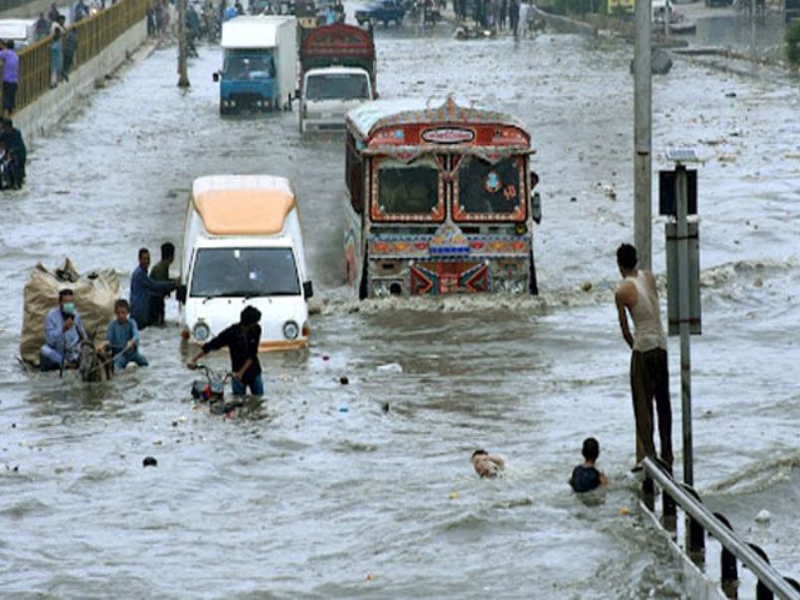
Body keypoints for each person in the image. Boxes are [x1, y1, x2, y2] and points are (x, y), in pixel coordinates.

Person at [615, 243, 673, 471]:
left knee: (643, 408)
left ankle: (649, 459)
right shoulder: (649, 278)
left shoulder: (621, 291)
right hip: (661, 345)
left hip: (643, 348)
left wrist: (635, 347)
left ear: (619, 265)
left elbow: (625, 330)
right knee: (663, 404)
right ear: (636, 261)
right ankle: (667, 455)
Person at [187, 306, 264, 396]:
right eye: (255, 323)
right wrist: (193, 359)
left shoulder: (257, 330)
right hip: (236, 373)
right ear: (249, 323)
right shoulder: (231, 333)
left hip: (254, 372)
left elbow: (252, 354)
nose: (256, 324)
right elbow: (212, 344)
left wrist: (241, 373)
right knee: (238, 402)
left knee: (259, 400)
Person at [130, 247, 176, 330]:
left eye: (148, 259)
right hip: (140, 313)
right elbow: (155, 285)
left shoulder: (141, 273)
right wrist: (173, 284)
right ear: (139, 259)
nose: (147, 261)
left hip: (139, 311)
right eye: (144, 259)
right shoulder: (140, 274)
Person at [40, 289, 86, 371]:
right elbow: (50, 340)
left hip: (73, 352)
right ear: (60, 303)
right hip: (58, 352)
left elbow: (83, 336)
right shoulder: (52, 315)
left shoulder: (76, 315)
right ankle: (65, 364)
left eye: (71, 302)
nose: (69, 305)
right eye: (66, 302)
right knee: (44, 350)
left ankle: (74, 363)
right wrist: (63, 330)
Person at [104, 299, 148, 371]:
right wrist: (105, 344)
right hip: (119, 354)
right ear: (115, 313)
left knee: (144, 362)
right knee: (116, 367)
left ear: (128, 313)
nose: (121, 315)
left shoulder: (132, 323)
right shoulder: (112, 325)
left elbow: (136, 335)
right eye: (118, 313)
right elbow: (109, 340)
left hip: (132, 354)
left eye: (123, 313)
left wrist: (131, 342)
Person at [149, 242, 175, 326]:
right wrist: (174, 284)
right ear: (171, 256)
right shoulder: (160, 268)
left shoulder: (162, 266)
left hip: (156, 303)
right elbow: (161, 287)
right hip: (155, 304)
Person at [0, 118, 27, 186]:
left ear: (9, 127)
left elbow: (19, 146)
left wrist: (10, 152)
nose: (3, 129)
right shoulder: (4, 134)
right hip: (9, 154)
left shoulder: (17, 133)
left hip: (19, 154)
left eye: (4, 127)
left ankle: (18, 179)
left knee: (16, 165)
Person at [0, 40, 19, 116]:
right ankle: (11, 113)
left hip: (7, 80)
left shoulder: (6, 53)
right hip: (14, 81)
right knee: (12, 98)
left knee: (6, 98)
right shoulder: (15, 55)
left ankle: (5, 114)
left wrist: (2, 49)